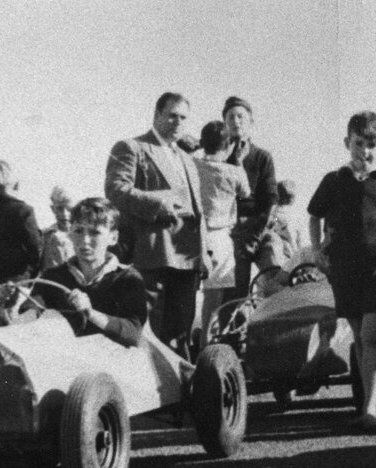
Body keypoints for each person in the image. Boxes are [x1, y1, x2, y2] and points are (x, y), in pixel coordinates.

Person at [308, 111, 376, 432]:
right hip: (344, 268)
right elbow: (314, 215)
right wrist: (317, 250)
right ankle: (367, 403)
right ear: (347, 143)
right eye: (359, 144)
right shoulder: (333, 180)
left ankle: (371, 410)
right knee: (359, 336)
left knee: (371, 336)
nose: (365, 152)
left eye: (372, 145)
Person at [105, 92, 210, 359]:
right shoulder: (132, 147)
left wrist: (205, 253)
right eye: (171, 115)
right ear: (157, 115)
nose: (177, 122)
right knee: (147, 335)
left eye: (183, 118)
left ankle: (184, 396)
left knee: (180, 337)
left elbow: (198, 209)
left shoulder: (188, 159)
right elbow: (115, 189)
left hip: (188, 260)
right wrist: (157, 203)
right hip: (152, 256)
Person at [14, 198, 148, 348]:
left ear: (113, 237)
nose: (84, 241)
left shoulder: (127, 279)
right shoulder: (54, 276)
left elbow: (133, 333)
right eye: (78, 231)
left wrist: (90, 313)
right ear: (70, 233)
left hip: (112, 363)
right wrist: (5, 307)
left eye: (94, 232)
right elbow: (31, 311)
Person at [194, 120, 251, 351]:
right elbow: (246, 193)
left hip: (192, 234)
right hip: (218, 236)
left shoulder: (192, 164)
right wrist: (238, 161)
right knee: (213, 296)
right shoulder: (234, 172)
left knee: (191, 291)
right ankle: (206, 340)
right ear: (228, 146)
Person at [222, 96, 278, 300]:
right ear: (224, 123)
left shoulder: (262, 157)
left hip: (259, 229)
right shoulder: (217, 159)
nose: (236, 121)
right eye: (231, 117)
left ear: (251, 122)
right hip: (230, 232)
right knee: (235, 292)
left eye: (241, 117)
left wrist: (255, 236)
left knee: (276, 279)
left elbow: (271, 199)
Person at [0, 160, 42, 326]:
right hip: (17, 284)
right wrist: (32, 276)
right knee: (18, 337)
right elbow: (35, 250)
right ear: (16, 183)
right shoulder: (24, 211)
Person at [39, 185, 75, 272]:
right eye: (59, 208)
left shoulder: (85, 237)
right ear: (53, 209)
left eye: (69, 209)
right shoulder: (45, 236)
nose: (65, 214)